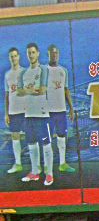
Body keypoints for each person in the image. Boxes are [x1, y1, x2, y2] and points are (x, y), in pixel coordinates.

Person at [18, 43, 54, 186]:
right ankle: (35, 172)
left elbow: (43, 90)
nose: (31, 55)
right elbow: (19, 92)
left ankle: (49, 174)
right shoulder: (23, 73)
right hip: (28, 114)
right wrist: (31, 90)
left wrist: (27, 90)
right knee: (31, 144)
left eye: (33, 52)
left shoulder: (43, 69)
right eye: (29, 53)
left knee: (46, 144)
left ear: (38, 53)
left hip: (42, 114)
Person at [46, 45, 75, 173]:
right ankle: (48, 167)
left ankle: (62, 164)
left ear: (58, 54)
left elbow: (66, 90)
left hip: (61, 110)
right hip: (47, 111)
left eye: (56, 53)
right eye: (52, 53)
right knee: (47, 139)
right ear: (48, 54)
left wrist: (71, 108)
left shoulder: (63, 71)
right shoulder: (43, 70)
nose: (54, 55)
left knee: (62, 136)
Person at [4, 47, 25, 173]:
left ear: (19, 56)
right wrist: (6, 113)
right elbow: (7, 95)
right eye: (11, 56)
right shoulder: (7, 75)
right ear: (9, 58)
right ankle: (18, 164)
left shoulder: (25, 72)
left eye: (15, 56)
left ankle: (36, 166)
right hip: (13, 111)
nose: (13, 58)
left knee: (32, 137)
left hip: (26, 110)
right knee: (15, 136)